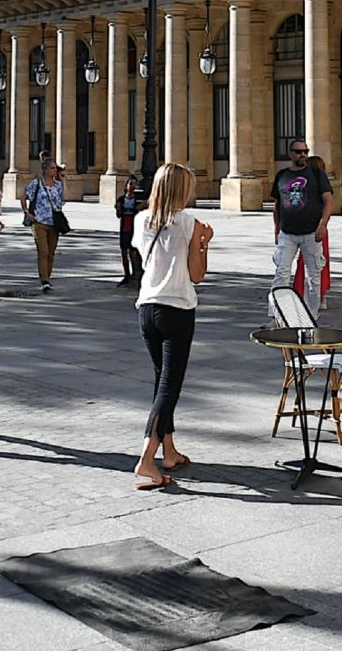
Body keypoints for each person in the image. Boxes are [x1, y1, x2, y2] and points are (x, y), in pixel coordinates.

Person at [130, 162, 213, 490]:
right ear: (181, 190)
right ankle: (147, 459)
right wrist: (203, 242)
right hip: (177, 307)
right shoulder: (187, 222)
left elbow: (147, 259)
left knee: (160, 379)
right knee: (169, 386)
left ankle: (169, 451)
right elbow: (196, 274)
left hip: (147, 307)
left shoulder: (140, 219)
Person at [270, 139, 333, 312]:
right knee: (281, 273)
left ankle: (311, 316)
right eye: (298, 152)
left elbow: (328, 201)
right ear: (291, 154)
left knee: (313, 277)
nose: (303, 155)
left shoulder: (316, 174)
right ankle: (277, 315)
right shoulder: (282, 175)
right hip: (287, 233)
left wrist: (323, 225)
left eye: (305, 151)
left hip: (311, 233)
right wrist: (276, 229)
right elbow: (277, 205)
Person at [292, 154, 335, 309]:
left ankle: (301, 293)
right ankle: (321, 296)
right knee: (320, 262)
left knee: (304, 262)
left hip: (307, 228)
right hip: (321, 228)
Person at [23, 159, 68, 293]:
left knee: (51, 253)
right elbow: (23, 196)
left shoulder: (58, 185)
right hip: (39, 222)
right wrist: (27, 212)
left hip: (54, 223)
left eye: (55, 168)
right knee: (43, 251)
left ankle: (47, 276)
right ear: (46, 170)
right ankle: (44, 280)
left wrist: (64, 180)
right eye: (52, 168)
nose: (55, 171)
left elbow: (66, 198)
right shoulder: (36, 183)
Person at [115, 174, 144, 287]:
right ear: (126, 186)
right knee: (124, 253)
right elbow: (118, 215)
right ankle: (126, 275)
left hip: (134, 228)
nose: (133, 186)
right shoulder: (121, 199)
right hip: (124, 228)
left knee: (133, 253)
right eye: (130, 183)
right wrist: (118, 209)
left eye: (134, 184)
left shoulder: (138, 199)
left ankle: (136, 274)